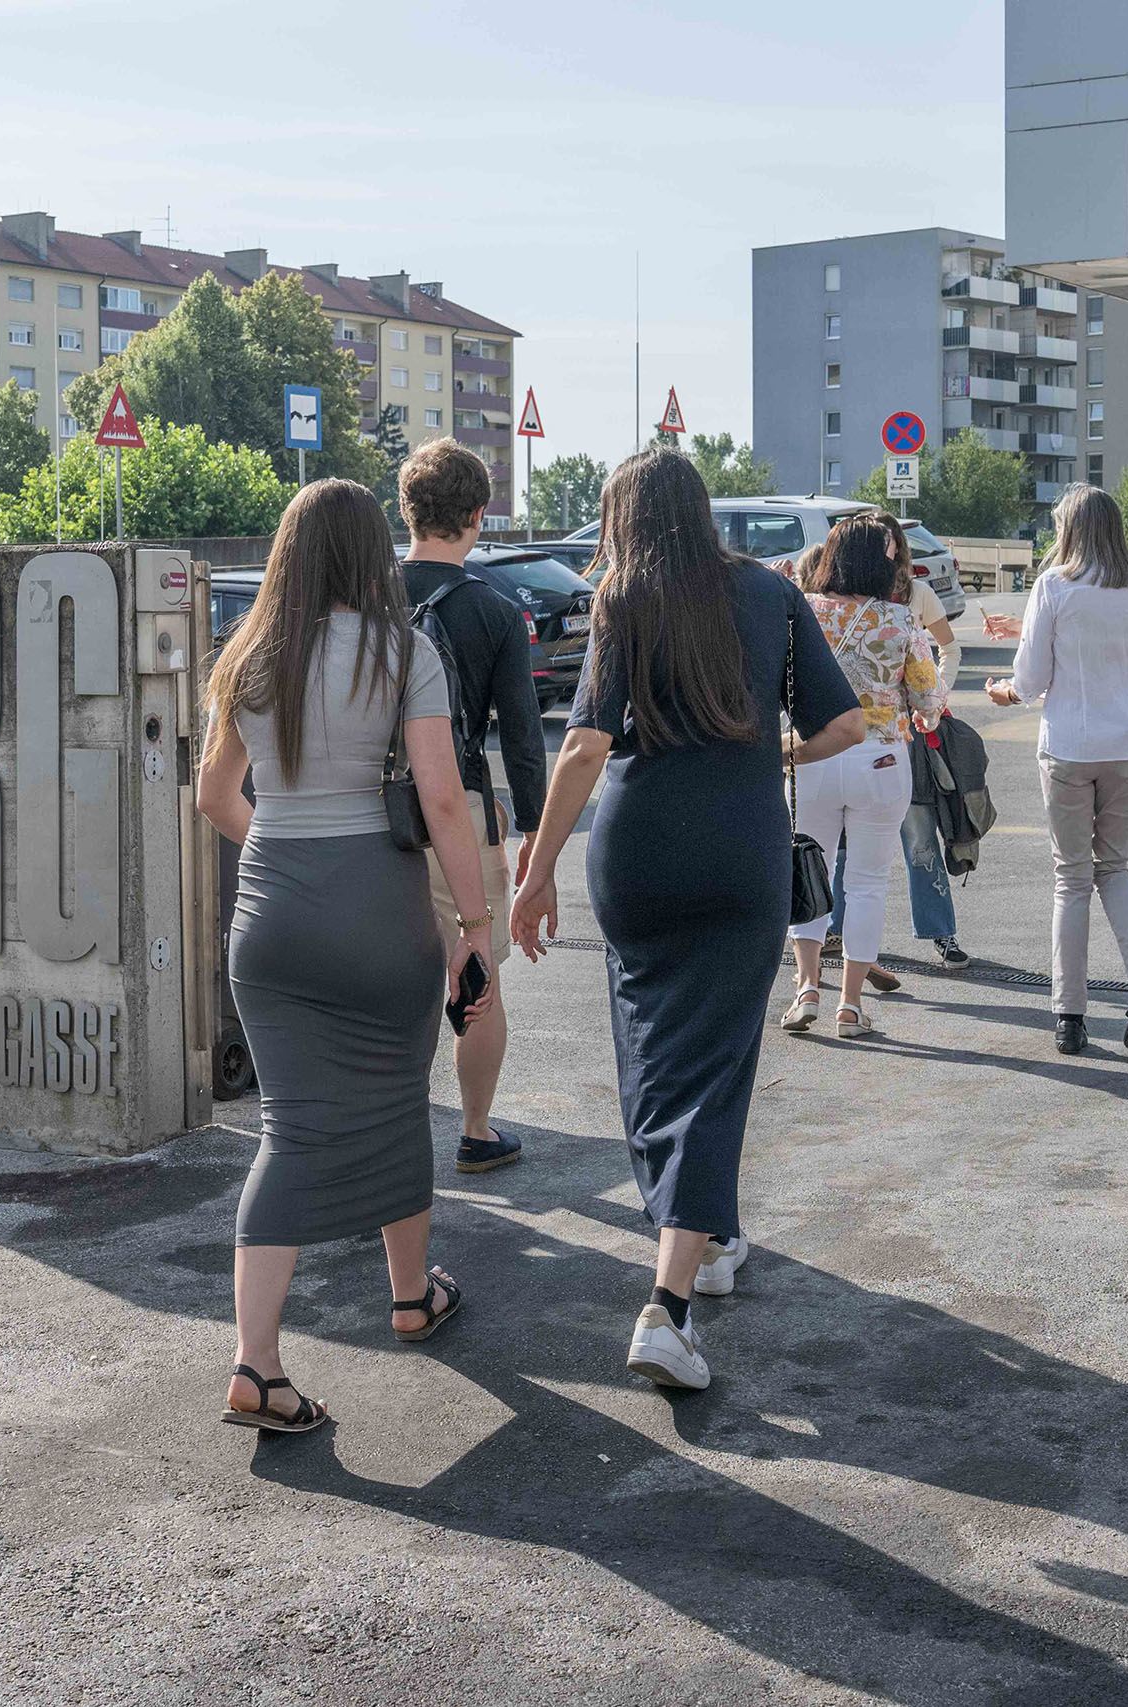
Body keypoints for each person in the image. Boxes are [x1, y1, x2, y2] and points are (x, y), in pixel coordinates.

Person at [510, 449, 863, 1392]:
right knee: (717, 1065)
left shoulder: (623, 600)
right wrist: (768, 749)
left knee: (656, 1052)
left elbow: (584, 745)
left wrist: (535, 871)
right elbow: (845, 727)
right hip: (740, 849)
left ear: (622, 517)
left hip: (639, 854)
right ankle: (668, 1305)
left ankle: (710, 1240)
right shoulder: (770, 592)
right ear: (704, 511)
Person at [198, 478, 495, 1434]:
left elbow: (212, 795)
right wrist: (477, 926)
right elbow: (444, 801)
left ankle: (256, 1363)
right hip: (378, 908)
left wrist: (284, 847)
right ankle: (411, 1297)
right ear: (372, 554)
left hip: (271, 915)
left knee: (289, 1128)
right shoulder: (405, 651)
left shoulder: (248, 655)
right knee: (395, 1096)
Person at [397, 440, 547, 1175]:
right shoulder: (494, 609)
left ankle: (389, 1137)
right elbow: (523, 740)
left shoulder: (366, 596)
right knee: (477, 971)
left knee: (390, 987)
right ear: (480, 516)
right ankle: (478, 1130)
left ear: (407, 509)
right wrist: (534, 837)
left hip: (375, 816)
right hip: (461, 809)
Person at [987, 484, 1128, 1056]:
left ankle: (1069, 1015)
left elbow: (1033, 679)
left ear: (1070, 530)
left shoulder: (1054, 584)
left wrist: (1005, 692)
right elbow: (1107, 642)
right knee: (1114, 867)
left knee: (1072, 877)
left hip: (1070, 746)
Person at [784, 512, 949, 1038]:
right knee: (868, 883)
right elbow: (927, 700)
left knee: (809, 867)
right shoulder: (901, 622)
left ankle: (807, 987)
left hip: (811, 757)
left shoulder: (803, 613)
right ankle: (850, 1006)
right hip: (880, 760)